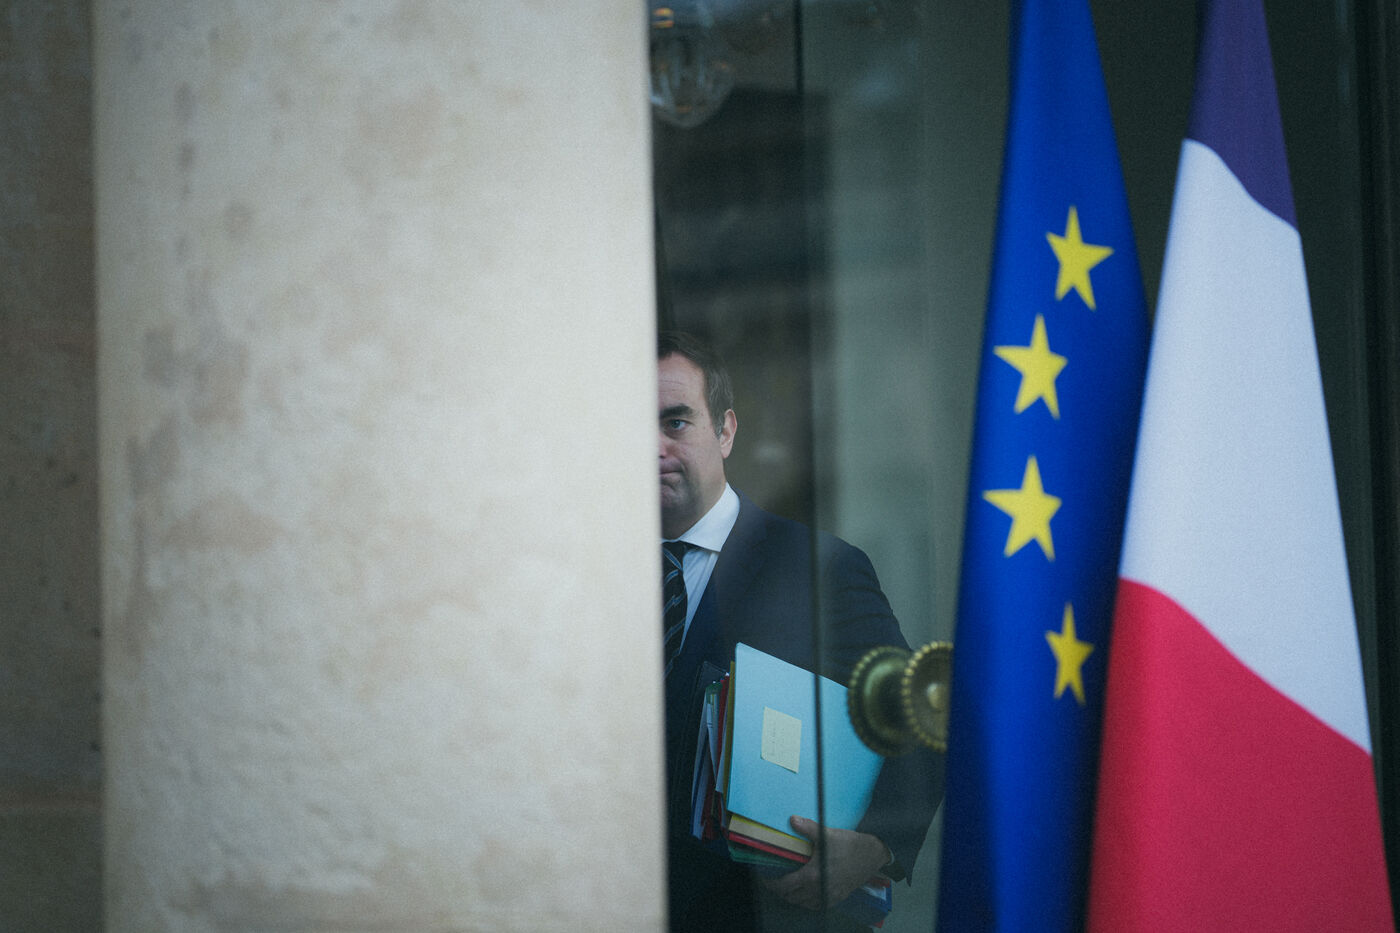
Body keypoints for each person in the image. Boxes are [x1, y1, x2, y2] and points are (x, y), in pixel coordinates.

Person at [658, 331, 943, 932]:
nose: (652, 447)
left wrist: (873, 846)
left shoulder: (821, 571)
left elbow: (918, 721)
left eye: (675, 422)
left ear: (726, 431)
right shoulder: (583, 584)